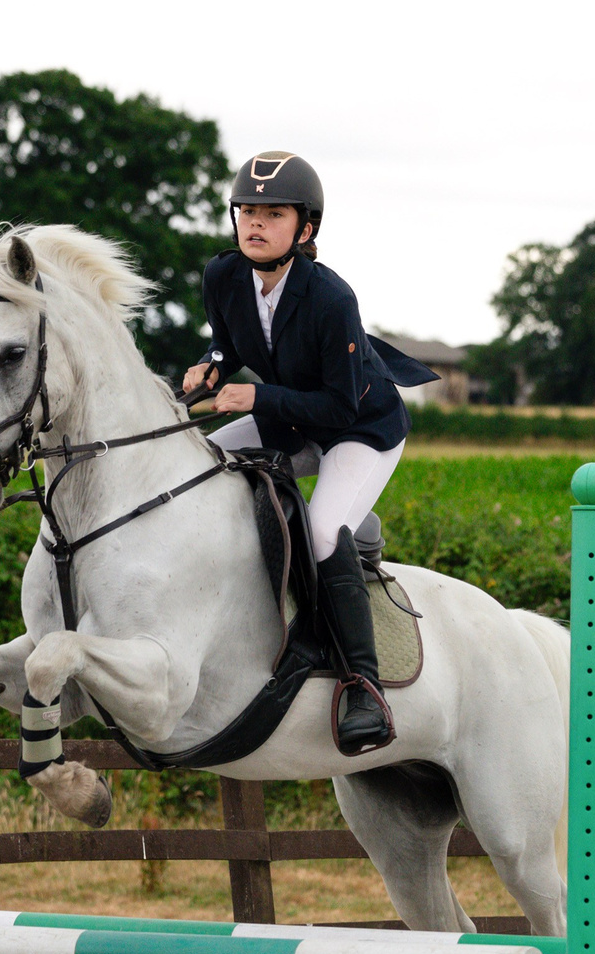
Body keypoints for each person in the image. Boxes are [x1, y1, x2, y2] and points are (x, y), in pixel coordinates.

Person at [181, 150, 435, 756]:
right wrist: (207, 373)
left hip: (359, 428)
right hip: (287, 419)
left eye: (273, 213)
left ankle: (363, 686)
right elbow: (224, 345)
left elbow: (338, 409)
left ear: (306, 229)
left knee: (322, 534)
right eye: (247, 210)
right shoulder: (222, 276)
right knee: (197, 472)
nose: (255, 223)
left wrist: (257, 394)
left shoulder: (329, 297)